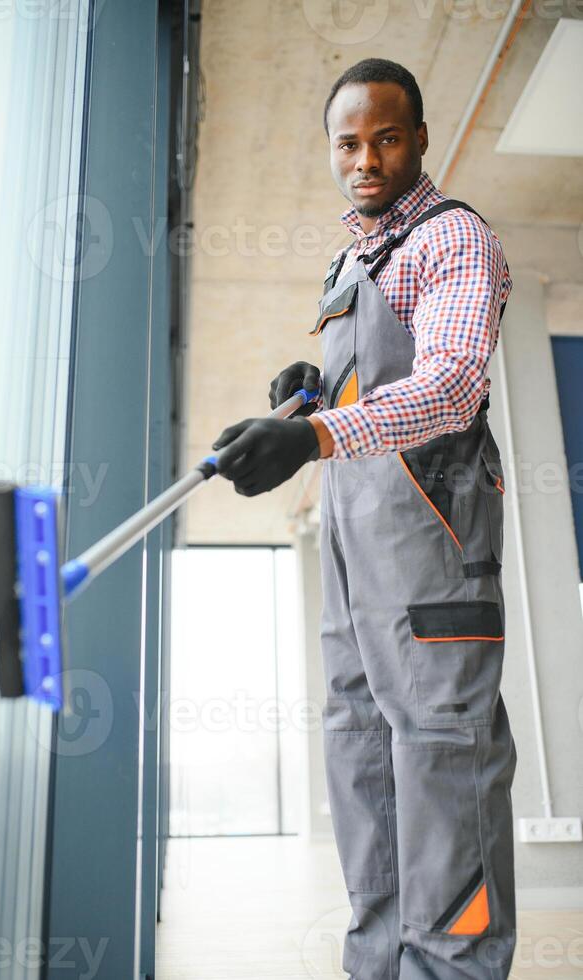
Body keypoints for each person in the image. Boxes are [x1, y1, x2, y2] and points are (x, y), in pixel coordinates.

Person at [213, 57, 516, 980]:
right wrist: (312, 395)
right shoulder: (353, 259)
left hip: (430, 554)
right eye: (349, 143)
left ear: (420, 139)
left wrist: (312, 441)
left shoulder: (454, 240)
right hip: (357, 547)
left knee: (442, 758)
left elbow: (452, 386)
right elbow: (373, 380)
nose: (367, 159)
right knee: (362, 753)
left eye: (387, 138)